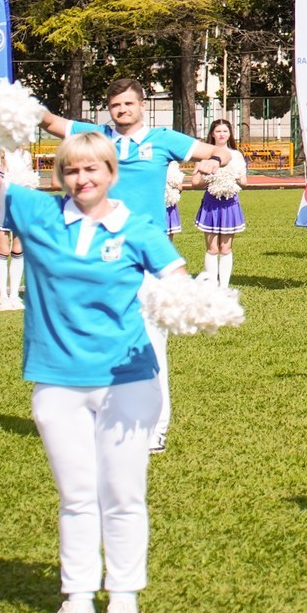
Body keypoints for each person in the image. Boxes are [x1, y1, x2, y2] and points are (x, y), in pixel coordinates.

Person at [0, 128, 195, 613]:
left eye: (92, 168)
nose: (81, 177)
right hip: (57, 380)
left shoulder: (138, 227)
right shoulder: (38, 213)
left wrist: (193, 305)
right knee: (76, 496)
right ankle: (78, 595)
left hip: (128, 379)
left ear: (111, 173)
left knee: (123, 492)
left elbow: (178, 281)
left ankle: (125, 594)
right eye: (70, 169)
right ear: (58, 174)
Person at [39, 82, 231, 453]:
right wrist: (14, 106)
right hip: (100, 257)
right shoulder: (95, 138)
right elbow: (51, 122)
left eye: (128, 103)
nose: (121, 110)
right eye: (115, 104)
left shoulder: (163, 139)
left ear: (142, 105)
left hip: (148, 258)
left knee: (150, 344)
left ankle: (154, 428)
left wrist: (211, 160)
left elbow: (217, 150)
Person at [186, 118, 247, 291]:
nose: (222, 134)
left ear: (230, 134)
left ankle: (224, 287)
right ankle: (212, 286)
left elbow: (245, 181)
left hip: (230, 203)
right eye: (218, 131)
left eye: (225, 131)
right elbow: (195, 182)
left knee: (226, 247)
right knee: (212, 248)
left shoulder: (236, 155)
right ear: (212, 133)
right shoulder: (204, 155)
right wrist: (211, 180)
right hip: (211, 203)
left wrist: (232, 178)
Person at [0, 142, 39, 311]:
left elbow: (31, 179)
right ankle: (3, 297)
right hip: (1, 204)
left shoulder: (25, 155)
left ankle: (15, 295)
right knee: (3, 249)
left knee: (18, 250)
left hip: (20, 204)